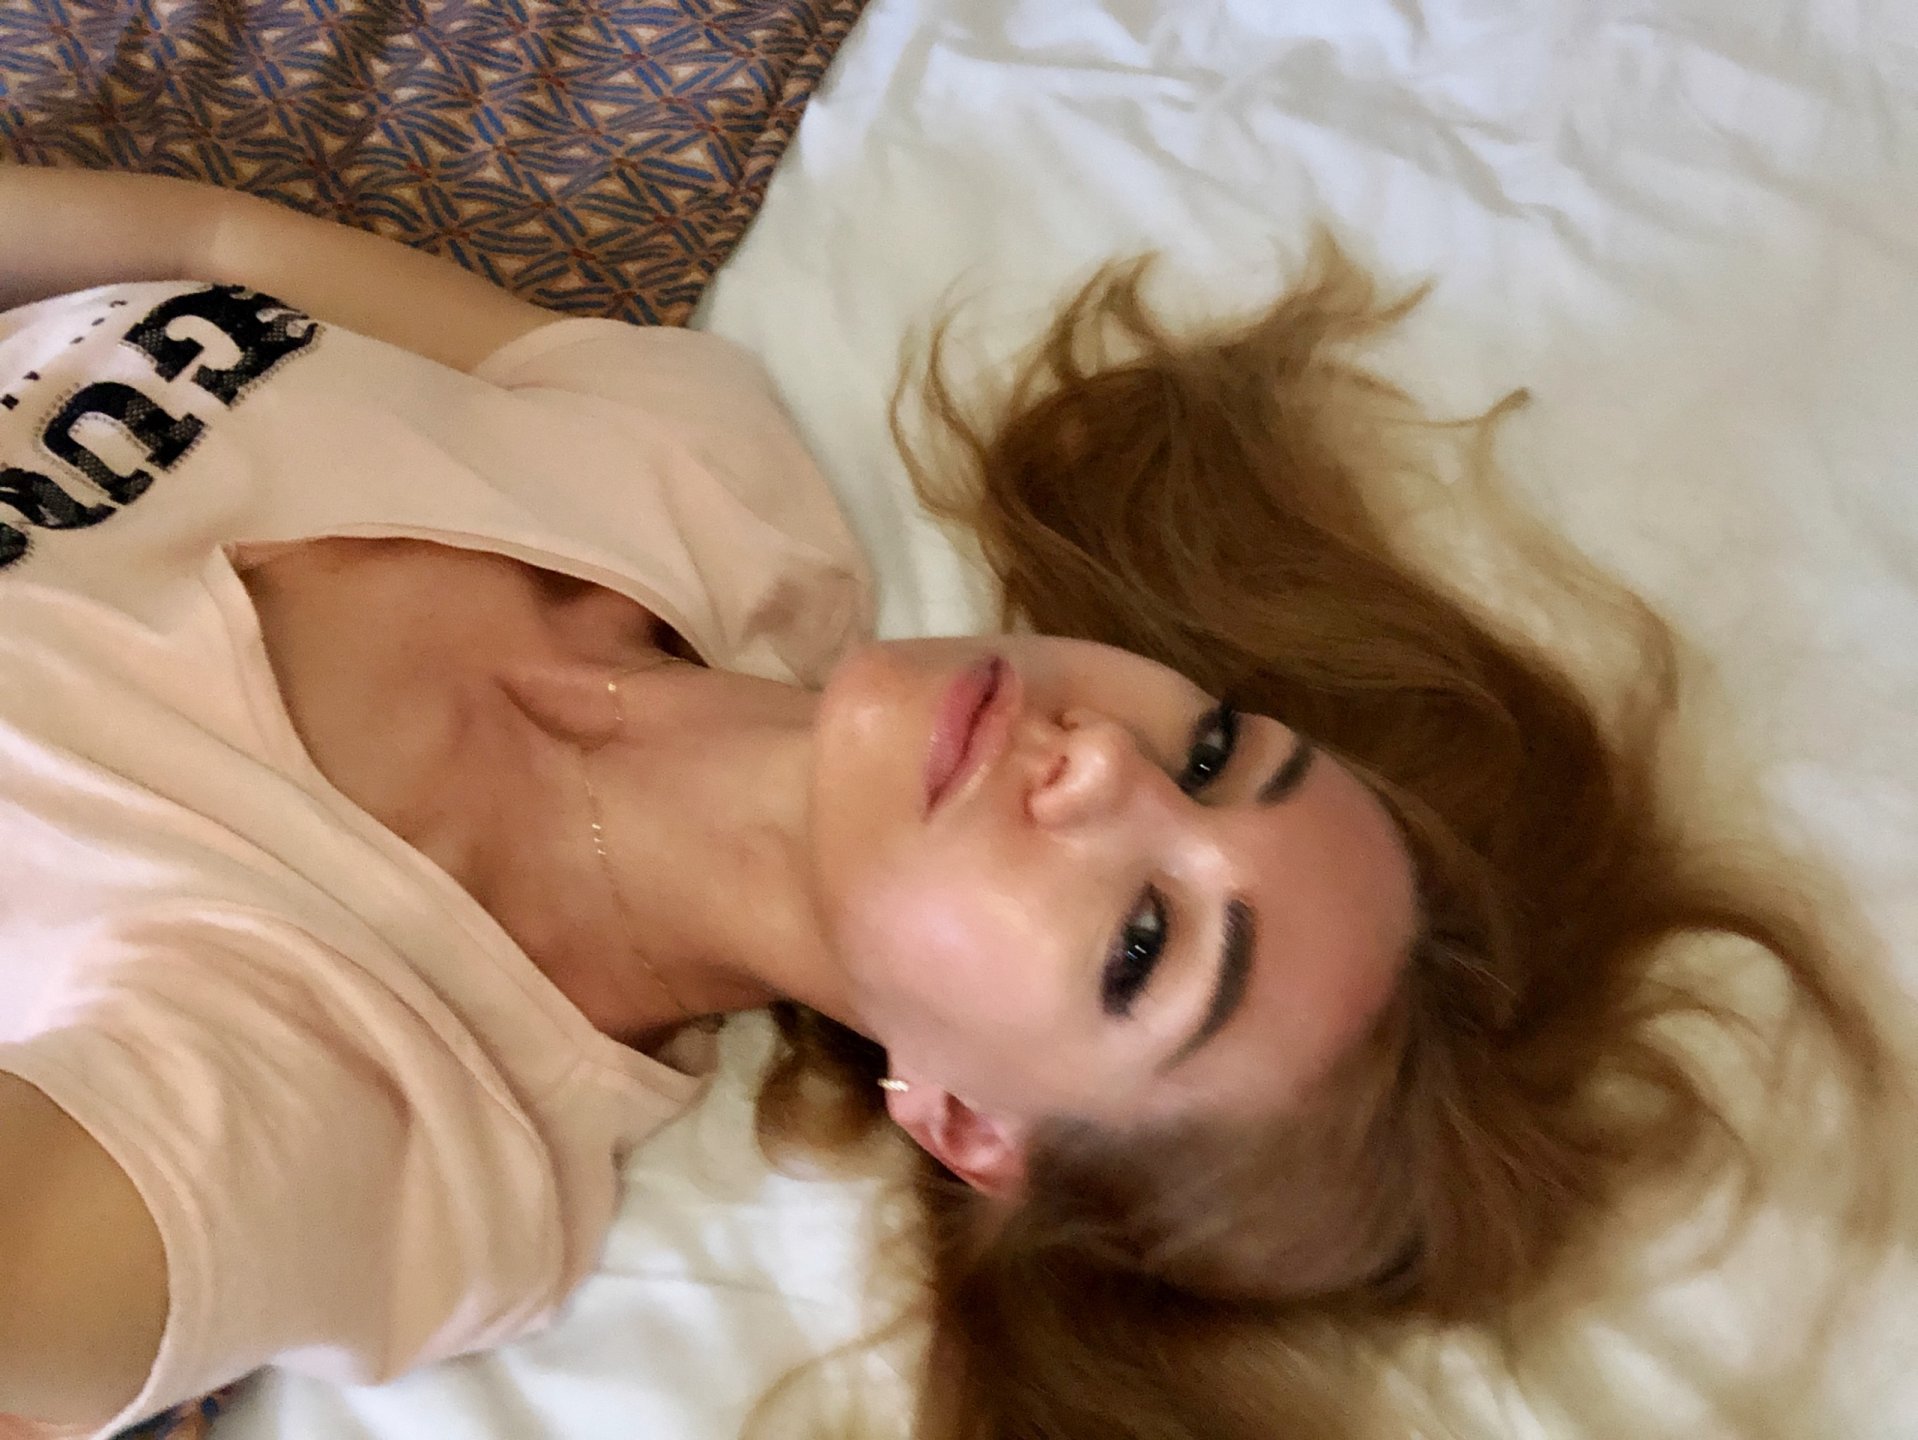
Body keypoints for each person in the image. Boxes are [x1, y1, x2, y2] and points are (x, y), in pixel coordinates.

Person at [0, 166, 1895, 1440]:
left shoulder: (384, 1112)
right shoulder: (718, 483)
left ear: (969, 1123)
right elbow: (208, 240)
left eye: (1144, 942)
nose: (1107, 766)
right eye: (1215, 753)